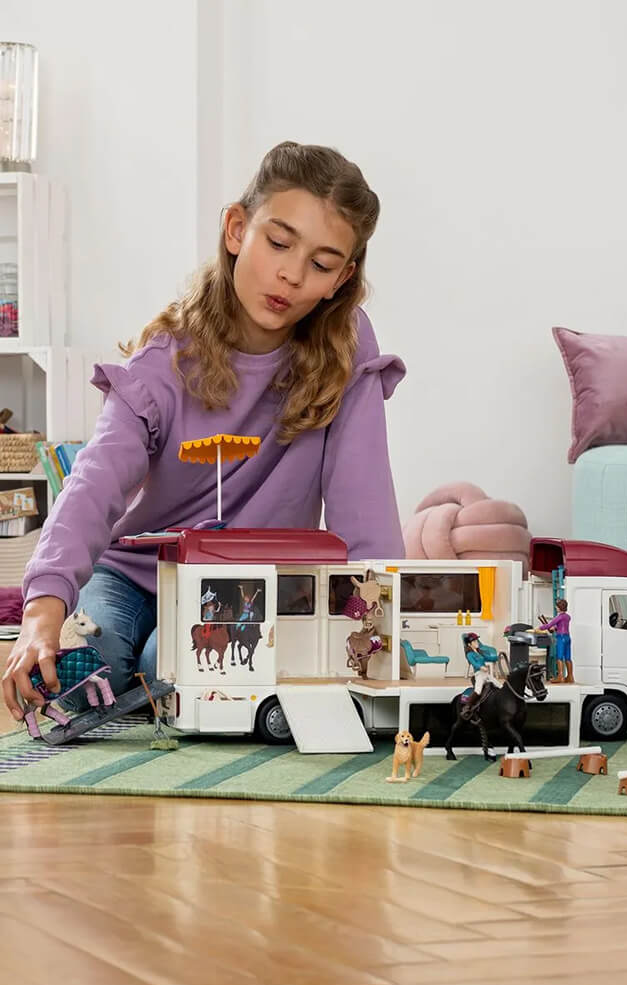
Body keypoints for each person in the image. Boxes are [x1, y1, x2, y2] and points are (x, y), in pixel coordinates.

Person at [2, 141, 406, 721]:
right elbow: (93, 485)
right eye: (278, 242)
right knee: (93, 667)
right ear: (237, 229)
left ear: (340, 279)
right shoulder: (163, 360)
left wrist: (376, 628)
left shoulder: (347, 353)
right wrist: (41, 612)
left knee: (176, 669)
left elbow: (362, 498)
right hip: (132, 574)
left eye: (319, 264)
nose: (291, 274)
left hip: (249, 587)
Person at [459, 632, 503, 721]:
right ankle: (467, 706)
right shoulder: (470, 654)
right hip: (479, 674)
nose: (477, 643)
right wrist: (481, 667)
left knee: (499, 685)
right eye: (474, 642)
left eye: (476, 641)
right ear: (469, 644)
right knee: (478, 691)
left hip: (486, 674)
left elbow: (489, 658)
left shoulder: (480, 652)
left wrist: (498, 657)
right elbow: (473, 663)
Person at [538, 598, 573, 684]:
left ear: (559, 607)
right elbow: (562, 626)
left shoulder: (559, 617)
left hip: (561, 638)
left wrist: (539, 628)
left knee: (559, 657)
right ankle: (570, 676)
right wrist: (555, 628)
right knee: (568, 657)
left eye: (557, 606)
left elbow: (549, 625)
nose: (556, 607)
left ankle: (560, 677)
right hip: (567, 637)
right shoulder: (567, 616)